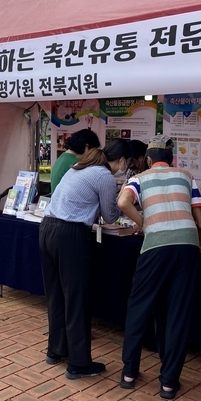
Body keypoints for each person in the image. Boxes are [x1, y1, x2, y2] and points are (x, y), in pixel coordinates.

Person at [117, 135, 201, 399]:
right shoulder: (187, 176)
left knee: (139, 306)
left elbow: (123, 202)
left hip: (156, 247)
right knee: (178, 313)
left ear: (148, 160)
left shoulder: (140, 178)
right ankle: (169, 383)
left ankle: (129, 373)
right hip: (187, 246)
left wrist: (144, 223)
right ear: (171, 159)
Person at [39, 139, 133, 380]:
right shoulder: (104, 175)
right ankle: (79, 363)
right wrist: (124, 197)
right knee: (76, 297)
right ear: (122, 161)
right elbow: (110, 216)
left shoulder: (81, 166)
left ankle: (56, 350)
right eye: (128, 164)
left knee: (56, 294)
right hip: (70, 234)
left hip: (47, 228)